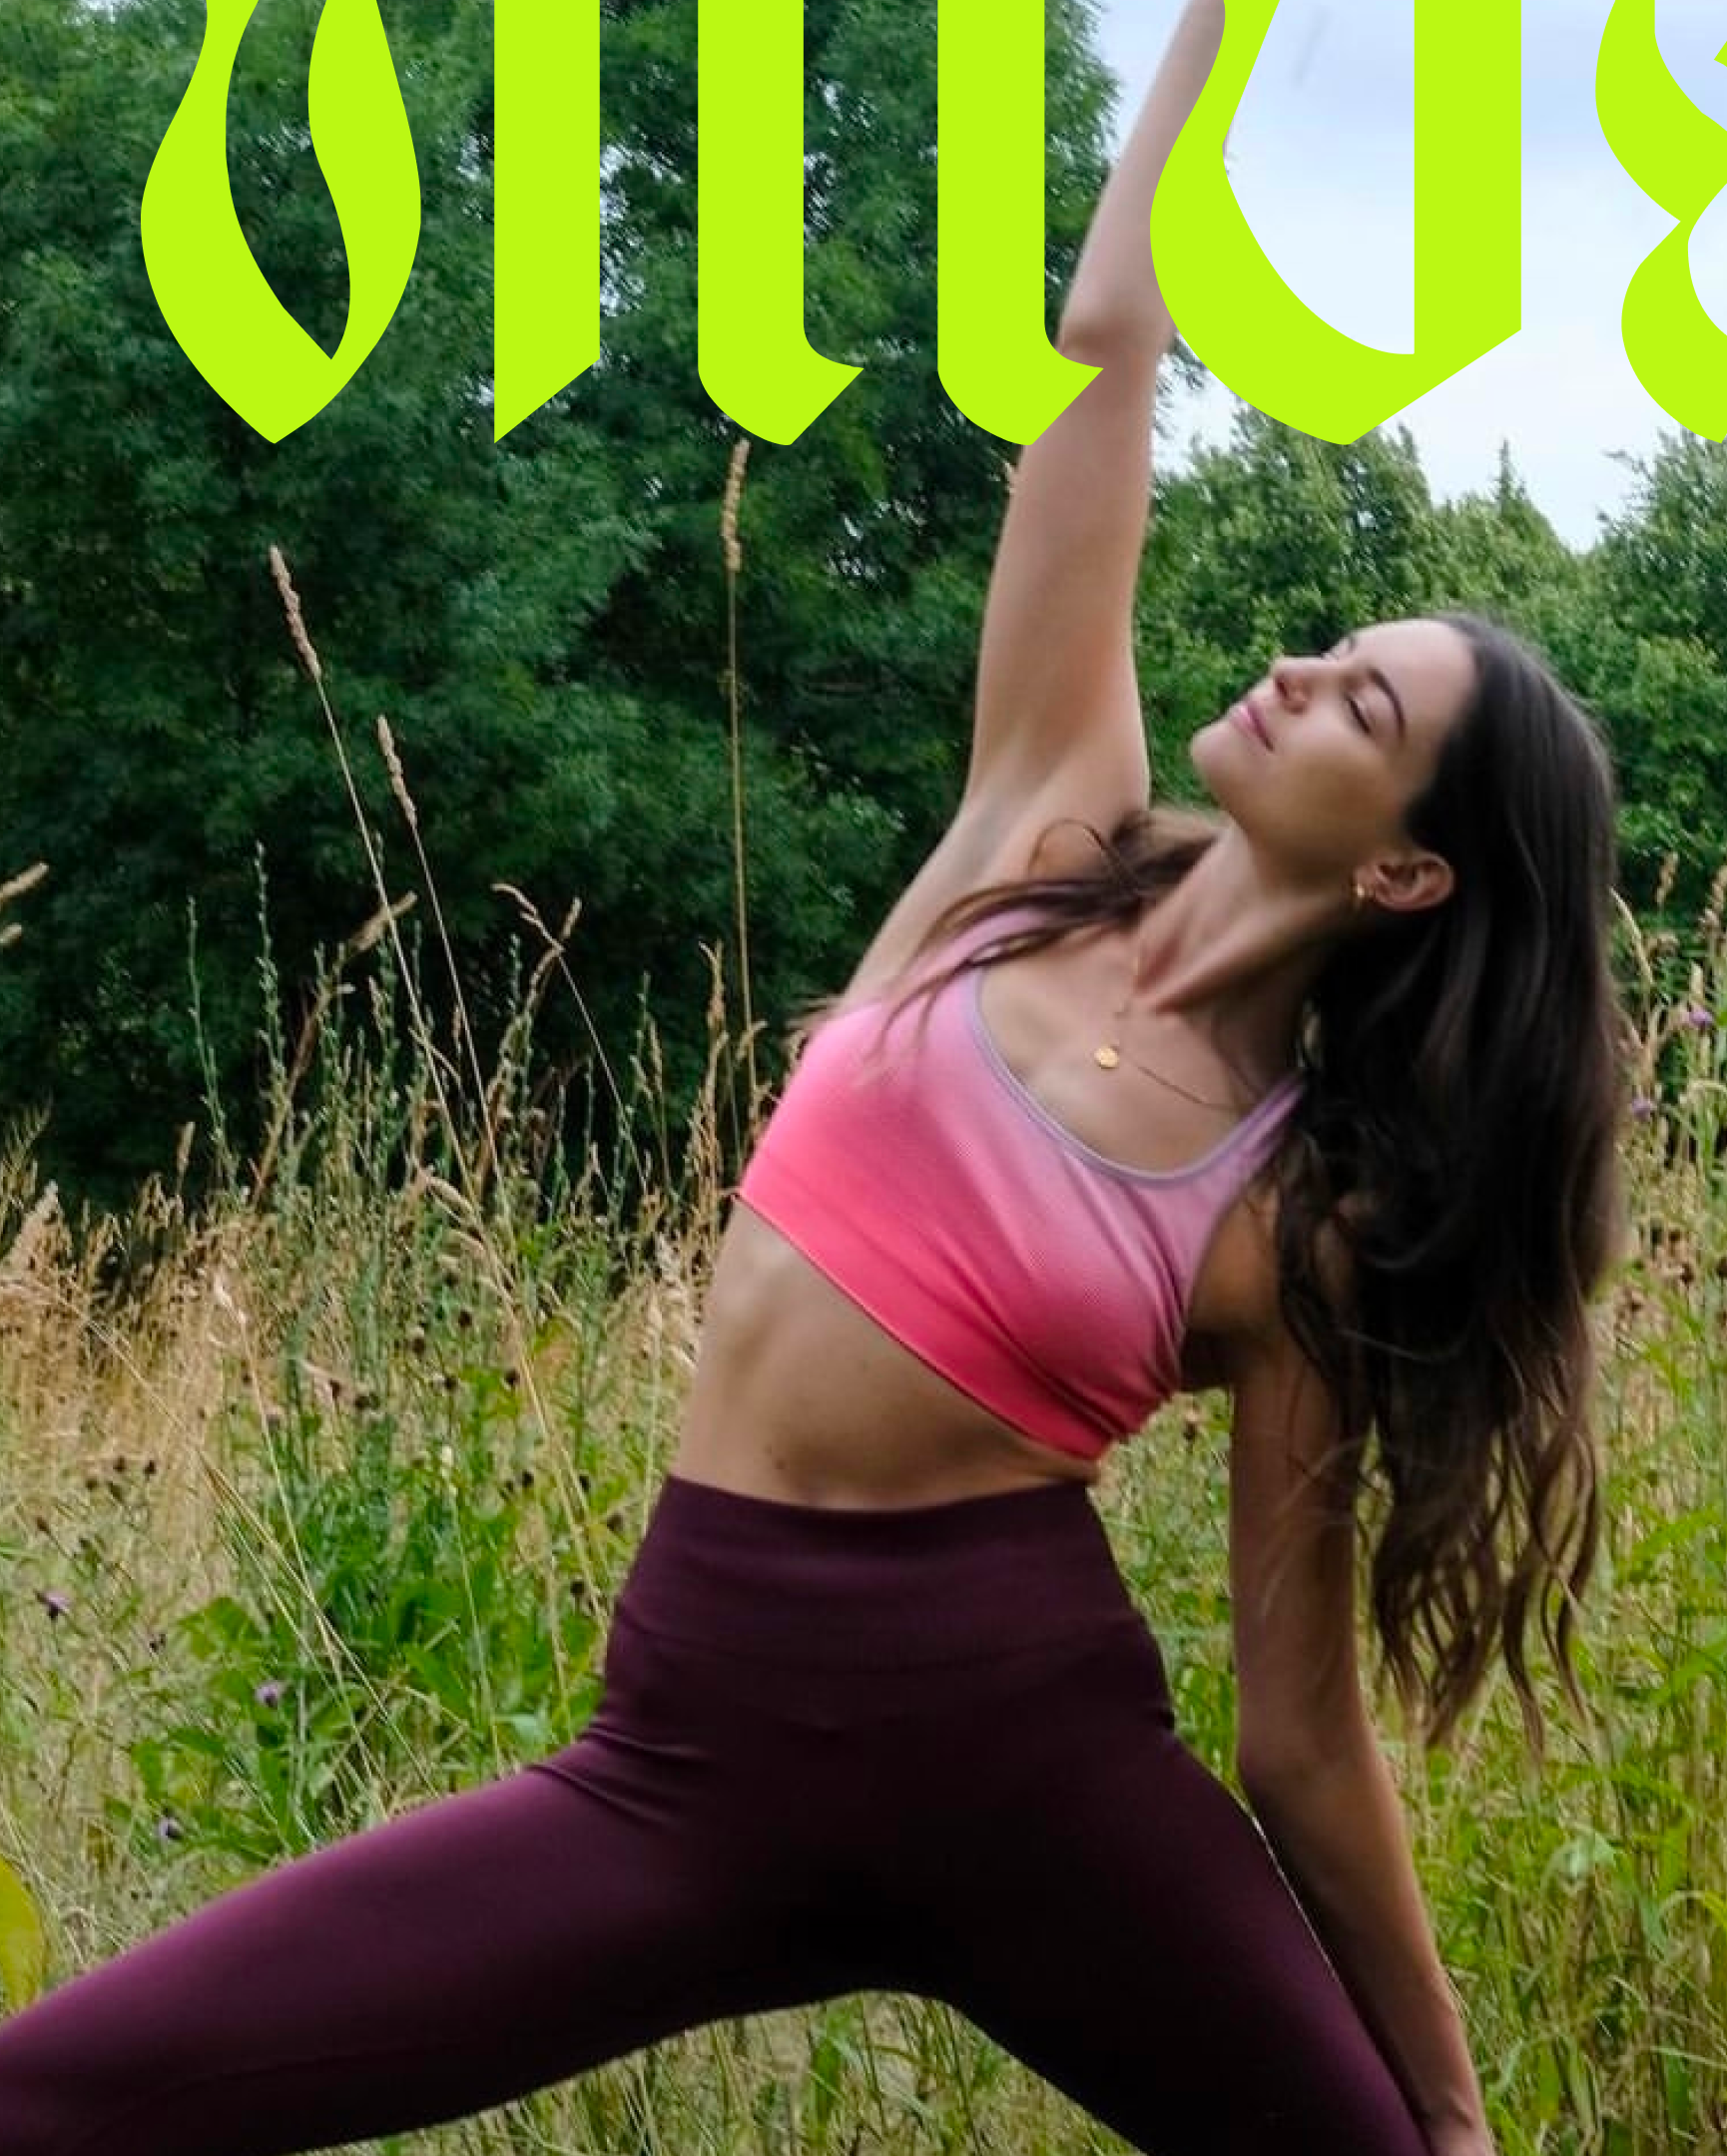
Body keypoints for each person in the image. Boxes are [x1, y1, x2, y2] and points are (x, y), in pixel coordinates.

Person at [0, 4, 1623, 2150]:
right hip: (682, 1762)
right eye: (1345, 646)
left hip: (1036, 1777)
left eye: (1364, 705)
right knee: (68, 2095)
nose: (1305, 663)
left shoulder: (1295, 1205)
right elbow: (1104, 349)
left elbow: (1300, 1732)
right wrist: (1215, 40)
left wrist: (1456, 2111)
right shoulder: (1044, 833)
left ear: (1411, 864)